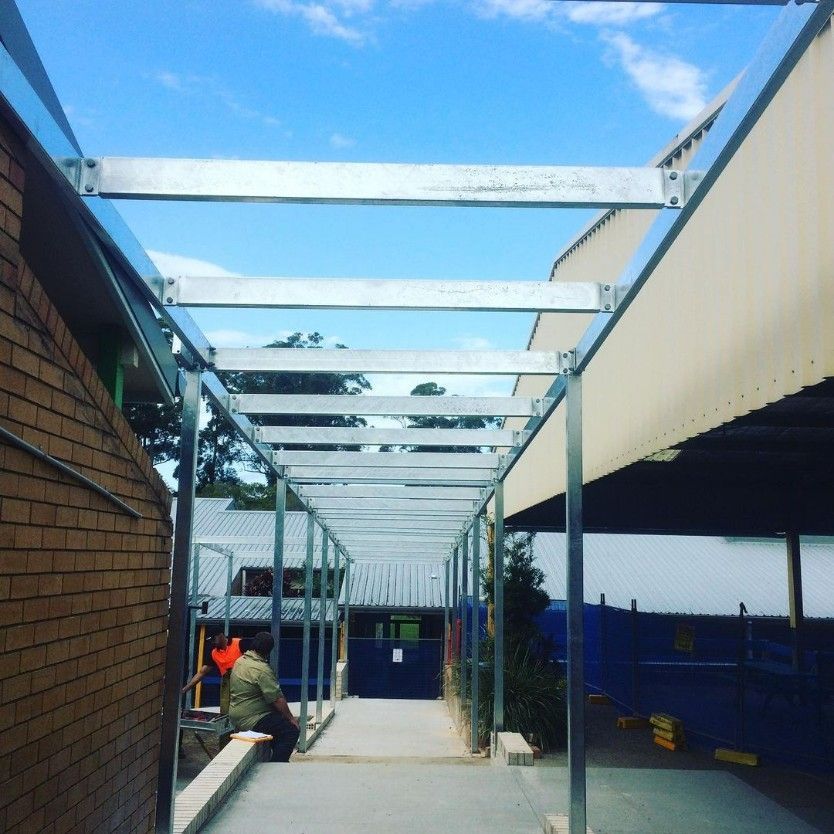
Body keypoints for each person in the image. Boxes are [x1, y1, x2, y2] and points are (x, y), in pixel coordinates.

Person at [229, 631, 300, 762]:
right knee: (290, 730)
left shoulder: (240, 661)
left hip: (236, 715)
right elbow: (277, 699)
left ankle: (275, 758)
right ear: (268, 651)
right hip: (252, 719)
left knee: (276, 726)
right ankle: (277, 765)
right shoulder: (262, 669)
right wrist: (292, 719)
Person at [182, 633, 250, 715]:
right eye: (211, 641)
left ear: (220, 635)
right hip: (228, 685)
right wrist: (184, 689)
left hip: (245, 682)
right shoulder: (214, 653)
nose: (213, 643)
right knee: (226, 711)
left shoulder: (239, 643)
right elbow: (201, 673)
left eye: (214, 640)